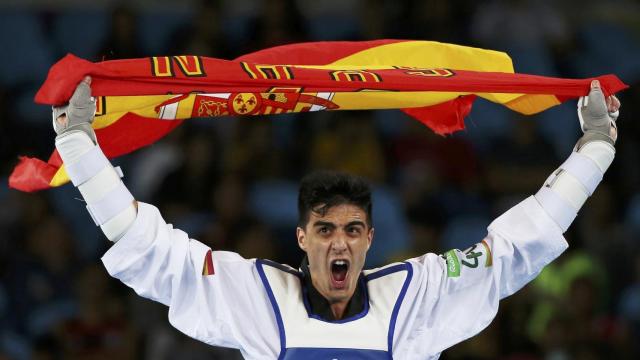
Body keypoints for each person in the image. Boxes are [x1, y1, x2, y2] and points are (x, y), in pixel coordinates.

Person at [51, 76, 620, 359]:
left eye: (351, 230)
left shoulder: (412, 298)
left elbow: (513, 251)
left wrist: (594, 148)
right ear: (303, 238)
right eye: (324, 230)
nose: (338, 243)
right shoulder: (259, 296)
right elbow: (152, 252)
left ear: (370, 239)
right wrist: (78, 148)